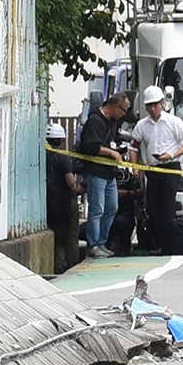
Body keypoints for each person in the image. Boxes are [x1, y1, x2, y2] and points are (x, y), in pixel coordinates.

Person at [130, 85, 183, 255]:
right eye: (149, 105)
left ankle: (170, 245)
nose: (152, 108)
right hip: (153, 169)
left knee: (168, 207)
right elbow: (133, 146)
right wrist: (135, 167)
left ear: (163, 103)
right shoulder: (142, 125)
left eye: (156, 104)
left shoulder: (174, 122)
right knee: (154, 207)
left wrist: (171, 155)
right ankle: (156, 244)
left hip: (170, 167)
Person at [78, 92, 129, 258]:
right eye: (123, 110)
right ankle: (92, 245)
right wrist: (110, 152)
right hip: (96, 171)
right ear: (115, 106)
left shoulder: (112, 122)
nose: (124, 114)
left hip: (109, 172)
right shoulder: (94, 121)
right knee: (97, 209)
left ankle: (102, 241)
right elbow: (90, 147)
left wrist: (117, 151)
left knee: (112, 207)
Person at [46, 123, 83, 273]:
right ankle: (72, 266)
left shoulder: (43, 155)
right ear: (61, 140)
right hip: (66, 202)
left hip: (50, 202)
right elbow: (70, 182)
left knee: (58, 236)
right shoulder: (63, 158)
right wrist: (80, 188)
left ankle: (59, 263)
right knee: (71, 237)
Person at [105, 169, 144, 256]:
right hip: (105, 216)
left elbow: (140, 192)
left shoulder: (125, 175)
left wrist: (126, 193)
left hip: (124, 214)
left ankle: (123, 247)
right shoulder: (99, 175)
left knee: (122, 222)